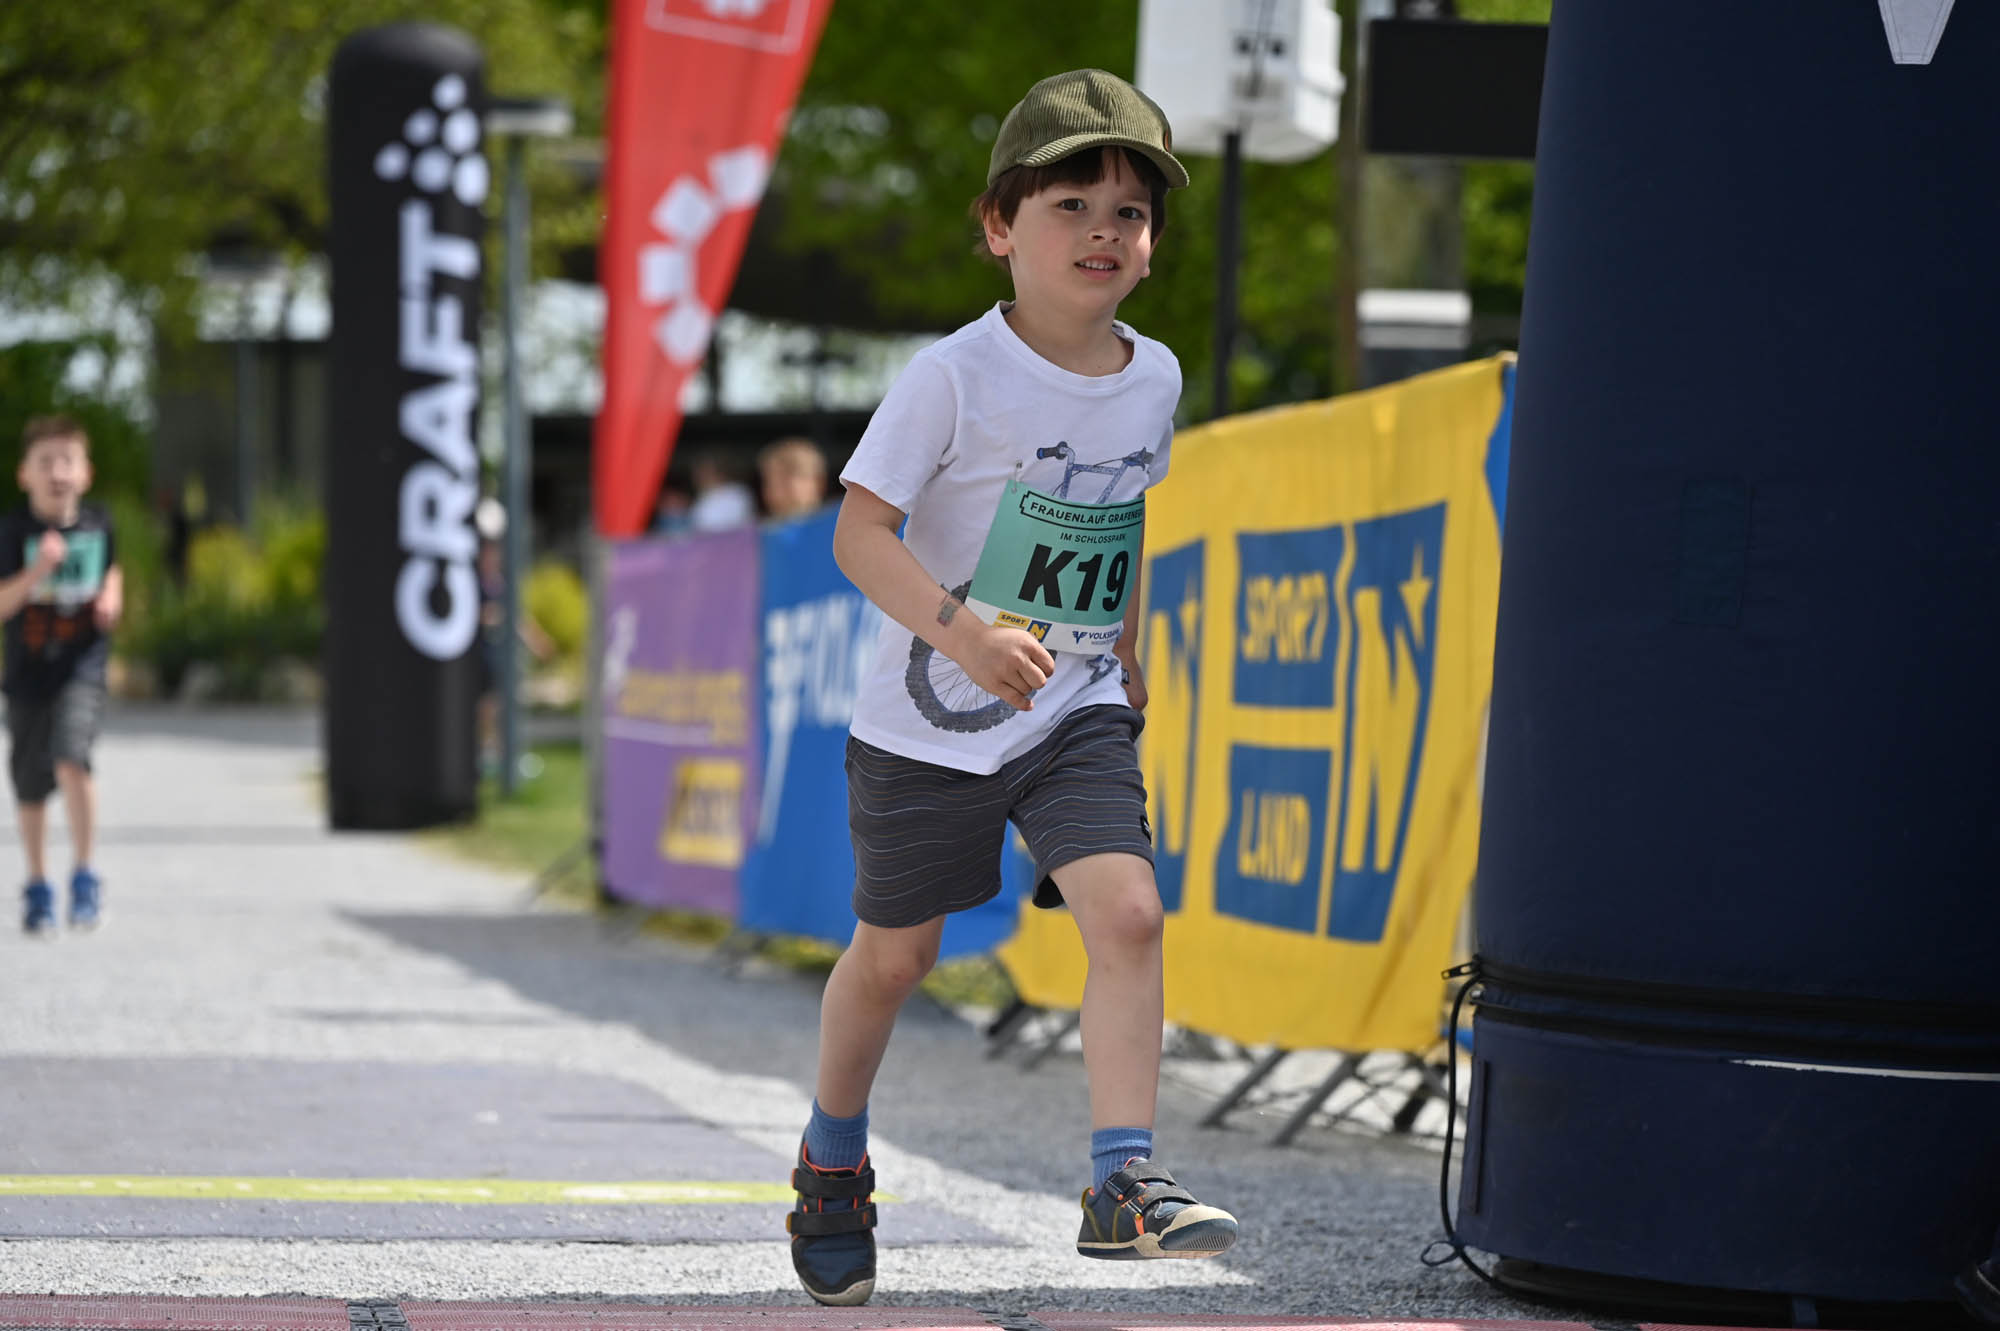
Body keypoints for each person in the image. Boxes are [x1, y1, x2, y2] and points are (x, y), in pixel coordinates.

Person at [784, 69, 1236, 1308]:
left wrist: (1124, 642)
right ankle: (831, 1161)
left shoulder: (1154, 377)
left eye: (1129, 212)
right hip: (928, 715)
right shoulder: (951, 376)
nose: (1103, 231)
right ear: (998, 227)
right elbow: (859, 532)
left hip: (1071, 702)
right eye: (1069, 205)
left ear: (1150, 246)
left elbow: (1120, 510)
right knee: (896, 958)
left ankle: (1120, 1180)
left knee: (1127, 912)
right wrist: (965, 630)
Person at [0, 415, 122, 936]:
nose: (57, 472)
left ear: (85, 473)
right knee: (30, 784)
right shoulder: (13, 532)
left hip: (81, 668)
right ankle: (38, 884)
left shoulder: (99, 524)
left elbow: (112, 567)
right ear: (24, 474)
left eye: (67, 461)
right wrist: (39, 571)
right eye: (45, 462)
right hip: (28, 675)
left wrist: (113, 596)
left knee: (73, 758)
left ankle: (85, 874)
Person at [757, 436, 829, 520]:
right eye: (769, 483)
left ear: (817, 482)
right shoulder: (756, 527)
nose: (776, 493)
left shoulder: (837, 524)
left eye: (785, 481)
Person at [685, 450, 756, 532]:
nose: (698, 477)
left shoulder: (737, 493)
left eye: (705, 471)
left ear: (719, 472)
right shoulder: (703, 497)